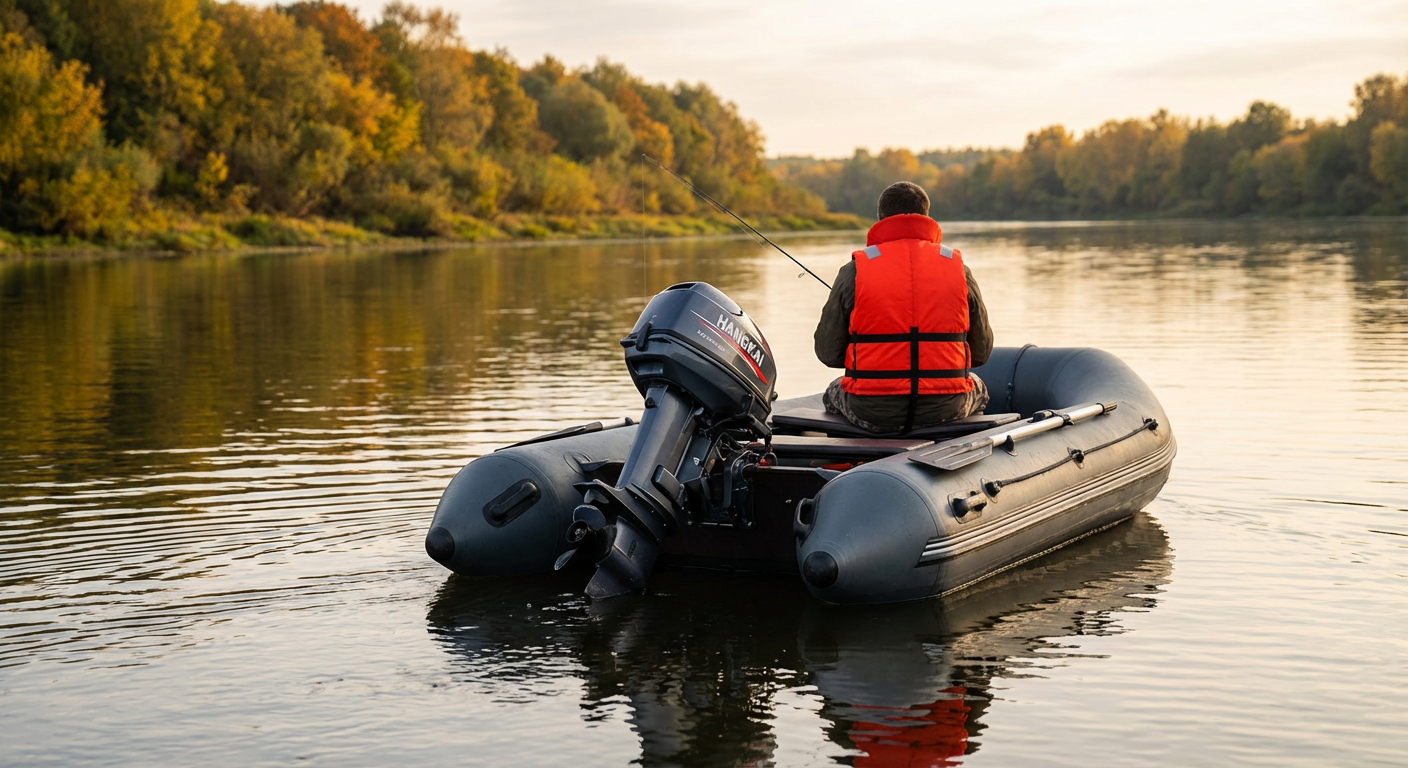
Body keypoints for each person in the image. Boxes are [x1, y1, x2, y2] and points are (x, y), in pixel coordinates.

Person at [813, 181, 993, 433]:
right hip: (946, 409)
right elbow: (982, 353)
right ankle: (961, 454)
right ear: (927, 216)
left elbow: (827, 353)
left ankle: (854, 459)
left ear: (880, 218)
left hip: (872, 412)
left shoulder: (855, 270)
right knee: (979, 387)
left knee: (833, 390)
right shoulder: (958, 269)